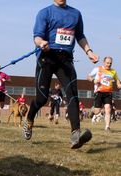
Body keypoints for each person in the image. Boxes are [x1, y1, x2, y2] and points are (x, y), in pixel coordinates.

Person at [23, 0, 99, 149]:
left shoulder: (76, 14)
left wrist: (89, 51)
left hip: (65, 60)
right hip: (47, 57)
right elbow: (37, 36)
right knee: (42, 98)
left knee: (72, 95)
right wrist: (41, 43)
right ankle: (29, 119)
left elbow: (80, 35)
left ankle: (75, 134)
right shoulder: (45, 12)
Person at [87, 56, 121, 132]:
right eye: (107, 63)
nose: (109, 65)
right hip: (98, 92)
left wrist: (119, 85)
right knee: (97, 111)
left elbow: (117, 80)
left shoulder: (113, 71)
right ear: (104, 62)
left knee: (108, 109)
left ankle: (107, 127)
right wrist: (93, 80)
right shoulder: (98, 69)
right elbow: (88, 77)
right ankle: (92, 110)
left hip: (108, 93)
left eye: (110, 63)